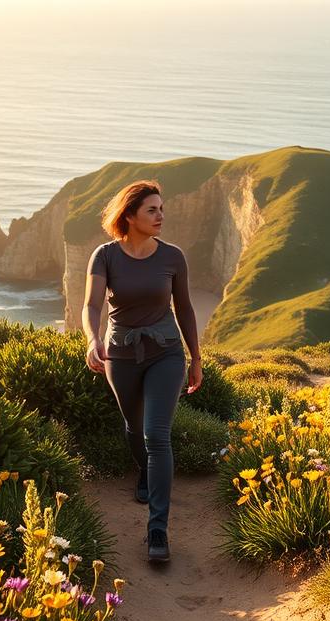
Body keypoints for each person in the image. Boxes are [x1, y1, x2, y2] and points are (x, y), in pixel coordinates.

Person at [82, 180, 203, 563]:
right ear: (129, 215)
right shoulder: (104, 256)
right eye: (152, 210)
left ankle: (158, 530)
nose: (161, 216)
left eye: (162, 209)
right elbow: (91, 306)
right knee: (134, 428)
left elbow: (184, 308)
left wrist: (195, 357)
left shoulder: (172, 257)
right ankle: (146, 474)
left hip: (166, 352)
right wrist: (92, 338)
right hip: (121, 353)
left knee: (157, 435)